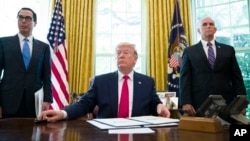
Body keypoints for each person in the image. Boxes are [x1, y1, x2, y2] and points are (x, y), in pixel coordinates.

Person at [39, 42, 170, 122]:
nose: (121, 55)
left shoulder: (147, 82)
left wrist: (160, 107)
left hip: (139, 133)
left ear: (135, 59)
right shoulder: (101, 81)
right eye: (118, 53)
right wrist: (63, 113)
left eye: (126, 52)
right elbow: (84, 104)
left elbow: (154, 103)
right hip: (105, 133)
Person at [179, 17, 247, 116]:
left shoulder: (228, 50)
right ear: (199, 30)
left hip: (226, 103)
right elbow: (185, 78)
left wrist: (241, 103)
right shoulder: (189, 51)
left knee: (227, 131)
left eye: (211, 24)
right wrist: (185, 102)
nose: (208, 26)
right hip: (199, 104)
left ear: (215, 30)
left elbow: (237, 78)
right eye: (204, 24)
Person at [0, 7, 52, 118]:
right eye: (21, 17)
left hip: (33, 104)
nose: (24, 21)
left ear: (35, 23)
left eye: (28, 18)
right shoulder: (3, 43)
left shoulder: (44, 48)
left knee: (32, 135)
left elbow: (47, 77)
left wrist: (47, 99)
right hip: (8, 102)